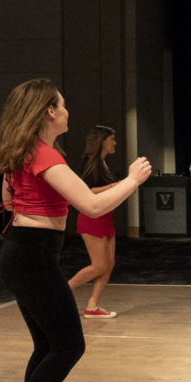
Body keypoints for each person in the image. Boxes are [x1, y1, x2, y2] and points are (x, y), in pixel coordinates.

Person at [0, 79, 152, 382]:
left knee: (47, 345)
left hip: (21, 253)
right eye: (62, 104)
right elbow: (92, 207)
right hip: (33, 258)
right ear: (49, 111)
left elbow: (8, 201)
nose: (67, 110)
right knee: (69, 346)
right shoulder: (45, 154)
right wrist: (133, 180)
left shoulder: (22, 150)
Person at [67, 125, 121, 318]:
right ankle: (61, 292)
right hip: (93, 218)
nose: (114, 143)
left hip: (106, 218)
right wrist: (117, 185)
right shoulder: (91, 162)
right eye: (112, 139)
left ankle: (92, 306)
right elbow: (86, 191)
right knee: (99, 265)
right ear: (102, 141)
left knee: (109, 264)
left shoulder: (103, 163)